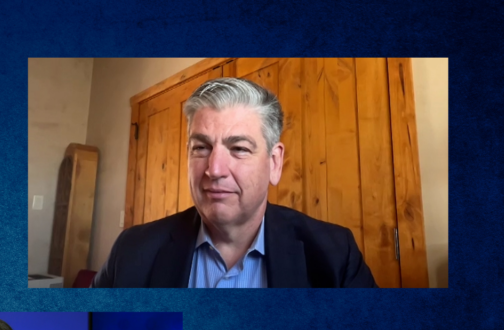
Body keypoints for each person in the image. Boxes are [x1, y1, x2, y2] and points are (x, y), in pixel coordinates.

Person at [93, 77, 378, 288]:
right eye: (201, 148)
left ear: (274, 163)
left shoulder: (336, 255)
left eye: (239, 148)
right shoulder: (131, 252)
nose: (214, 169)